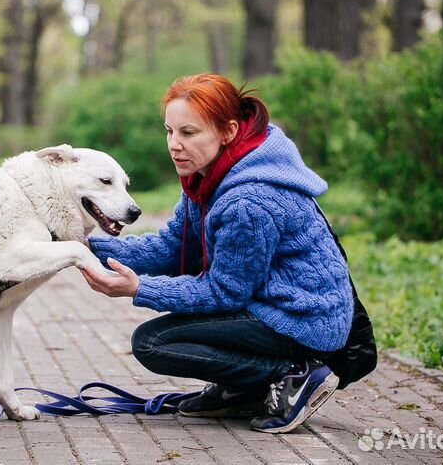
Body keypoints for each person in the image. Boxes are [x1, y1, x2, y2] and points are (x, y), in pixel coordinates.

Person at [78, 73, 354, 434]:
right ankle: (244, 392)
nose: (174, 144)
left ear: (228, 131)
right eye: (169, 131)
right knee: (162, 337)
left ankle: (292, 375)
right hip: (268, 303)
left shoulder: (248, 201)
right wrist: (83, 247)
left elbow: (224, 292)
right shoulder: (207, 175)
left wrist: (139, 289)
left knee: (153, 343)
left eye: (188, 133)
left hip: (303, 316)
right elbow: (171, 247)